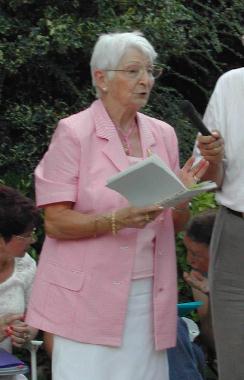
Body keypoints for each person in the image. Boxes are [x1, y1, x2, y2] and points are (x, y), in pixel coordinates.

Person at [26, 31, 208, 380]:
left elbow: (172, 224)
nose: (145, 80)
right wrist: (116, 219)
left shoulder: (163, 134)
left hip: (148, 298)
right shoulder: (73, 132)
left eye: (150, 71)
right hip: (86, 300)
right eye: (133, 71)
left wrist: (181, 196)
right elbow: (55, 223)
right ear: (101, 78)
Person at [194, 64, 244, 380]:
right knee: (235, 362)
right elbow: (213, 179)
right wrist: (212, 159)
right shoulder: (230, 84)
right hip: (235, 232)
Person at [168, 211, 216, 380]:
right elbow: (212, 340)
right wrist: (211, 294)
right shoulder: (201, 277)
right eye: (187, 251)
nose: (189, 261)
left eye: (196, 254)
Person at [0, 184, 40, 379]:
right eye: (25, 235)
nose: (32, 240)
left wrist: (24, 334)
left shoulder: (25, 265)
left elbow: (34, 319)